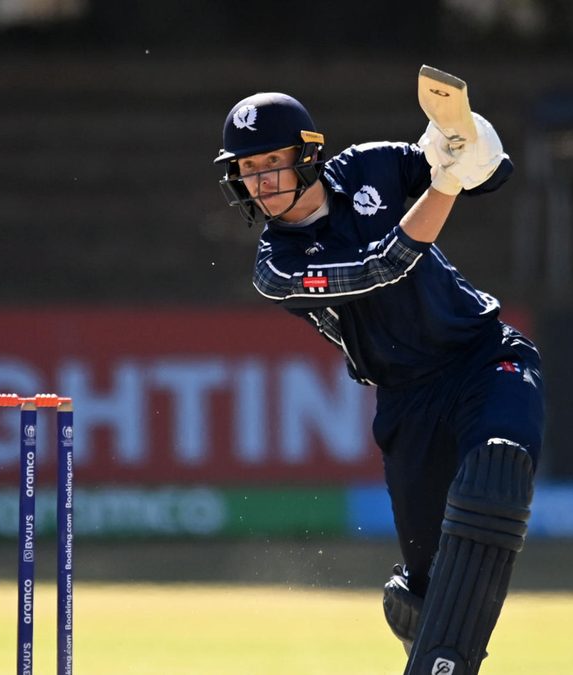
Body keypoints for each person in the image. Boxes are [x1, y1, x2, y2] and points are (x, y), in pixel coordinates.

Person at [214, 88, 543, 675]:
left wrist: (463, 138)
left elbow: (487, 174)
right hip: (406, 402)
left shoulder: (369, 165)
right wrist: (444, 182)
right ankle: (428, 646)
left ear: (308, 154)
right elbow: (381, 268)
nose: (260, 182)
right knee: (420, 596)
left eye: (271, 163)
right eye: (247, 169)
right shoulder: (277, 267)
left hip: (482, 359)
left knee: (498, 466)